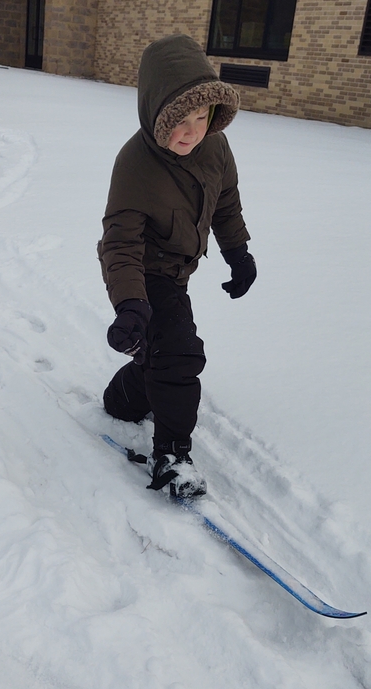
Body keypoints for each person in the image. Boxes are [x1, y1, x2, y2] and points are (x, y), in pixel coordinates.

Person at [98, 34, 257, 499]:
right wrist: (130, 304)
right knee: (181, 352)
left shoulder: (216, 149)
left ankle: (124, 397)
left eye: (201, 118)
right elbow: (121, 239)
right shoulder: (135, 163)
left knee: (161, 355)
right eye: (179, 121)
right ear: (156, 115)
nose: (192, 131)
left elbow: (226, 204)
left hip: (179, 269)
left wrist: (238, 252)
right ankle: (172, 455)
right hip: (144, 271)